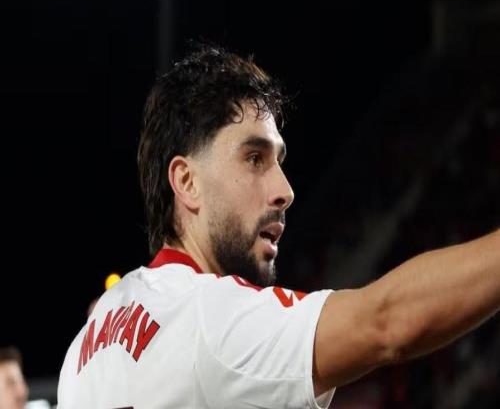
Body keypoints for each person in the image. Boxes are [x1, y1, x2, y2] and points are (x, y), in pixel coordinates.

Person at [57, 44, 500, 408]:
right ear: (187, 182)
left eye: (279, 161)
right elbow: (386, 323)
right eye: (254, 158)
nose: (284, 190)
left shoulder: (83, 349)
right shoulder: (210, 318)